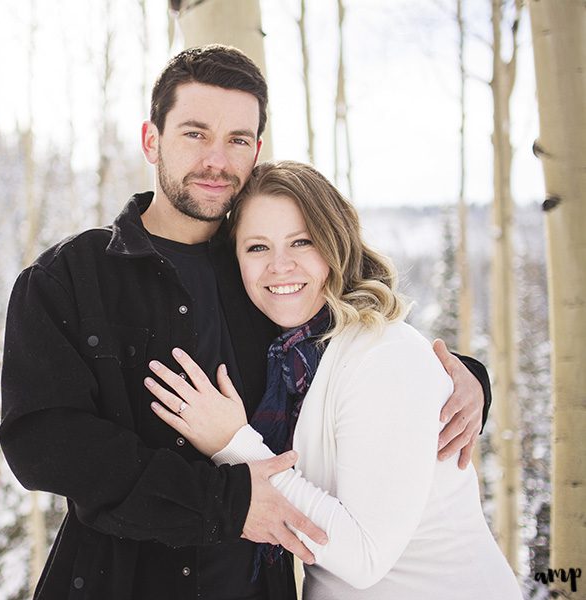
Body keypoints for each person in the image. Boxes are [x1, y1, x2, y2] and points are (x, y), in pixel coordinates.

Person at [0, 45, 491, 600]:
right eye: (194, 133)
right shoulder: (69, 278)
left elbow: (356, 345)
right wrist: (222, 501)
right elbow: (42, 441)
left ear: (256, 150)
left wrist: (463, 380)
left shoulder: (262, 273)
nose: (217, 158)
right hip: (116, 581)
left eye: (237, 139)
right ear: (151, 140)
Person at [144, 160, 520, 599]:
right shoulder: (288, 362)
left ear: (334, 245)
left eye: (301, 242)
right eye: (257, 248)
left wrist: (234, 443)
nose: (279, 266)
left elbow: (363, 556)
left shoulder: (382, 356)